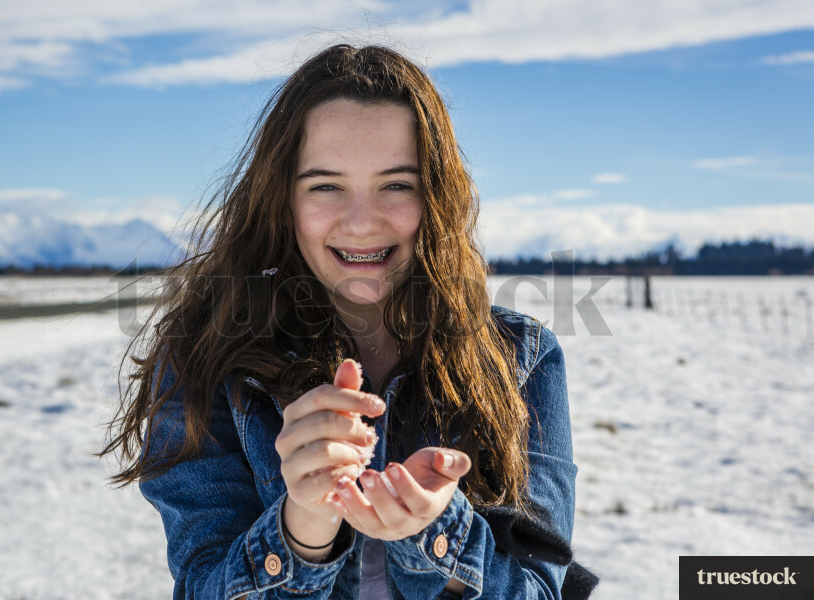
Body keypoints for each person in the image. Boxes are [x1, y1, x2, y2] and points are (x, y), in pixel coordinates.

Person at [101, 44, 598, 599]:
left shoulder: (521, 356)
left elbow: (543, 590)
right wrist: (303, 528)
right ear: (281, 198)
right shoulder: (205, 357)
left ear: (436, 195)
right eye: (325, 186)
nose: (361, 223)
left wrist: (436, 535)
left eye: (397, 184)